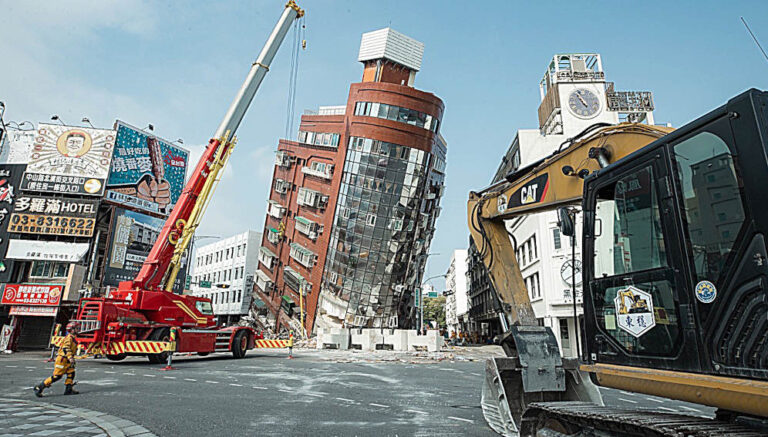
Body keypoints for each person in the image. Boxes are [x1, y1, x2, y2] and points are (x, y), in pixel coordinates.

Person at [34, 321, 80, 397]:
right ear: (71, 330)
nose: (78, 330)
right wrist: (70, 357)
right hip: (63, 359)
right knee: (57, 376)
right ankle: (39, 387)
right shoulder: (69, 338)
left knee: (71, 373)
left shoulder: (72, 338)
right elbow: (66, 348)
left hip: (67, 360)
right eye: (77, 328)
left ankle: (68, 389)